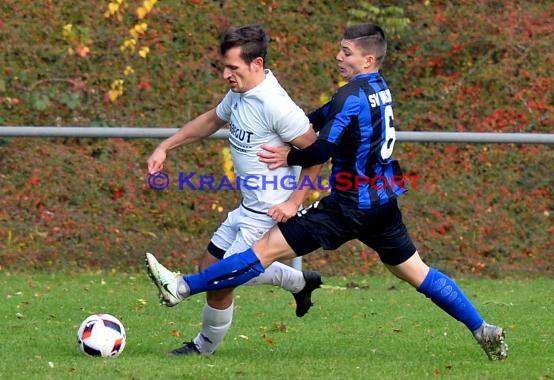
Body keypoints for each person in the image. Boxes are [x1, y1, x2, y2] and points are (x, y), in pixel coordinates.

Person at [146, 23, 508, 361]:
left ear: (367, 59)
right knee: (419, 273)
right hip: (382, 202)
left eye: (346, 52)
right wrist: (295, 127)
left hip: (347, 206)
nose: (339, 57)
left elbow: (321, 150)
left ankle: (182, 287)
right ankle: (482, 328)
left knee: (265, 250)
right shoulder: (378, 88)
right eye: (340, 50)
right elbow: (321, 117)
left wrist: (290, 156)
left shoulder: (349, 95)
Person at [146, 25, 323, 357]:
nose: (226, 74)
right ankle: (300, 282)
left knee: (219, 282)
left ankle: (203, 348)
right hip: (247, 206)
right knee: (208, 266)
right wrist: (166, 146)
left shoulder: (276, 105)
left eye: (233, 68)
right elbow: (213, 119)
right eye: (224, 67)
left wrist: (294, 201)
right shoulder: (241, 93)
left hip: (268, 213)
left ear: (256, 64)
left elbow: (317, 153)